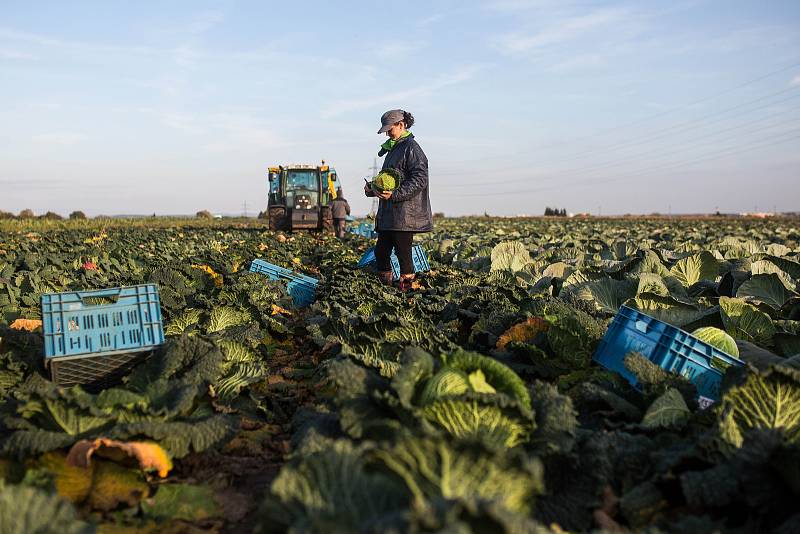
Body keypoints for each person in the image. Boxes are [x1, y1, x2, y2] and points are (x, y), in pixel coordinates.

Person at [364, 109, 433, 291]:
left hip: (404, 214)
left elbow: (420, 178)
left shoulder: (411, 148)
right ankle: (386, 288)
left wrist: (395, 194)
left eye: (390, 129)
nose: (387, 133)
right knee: (381, 252)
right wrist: (372, 188)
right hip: (390, 213)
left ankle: (406, 291)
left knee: (403, 254)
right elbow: (390, 178)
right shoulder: (394, 148)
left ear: (401, 125)